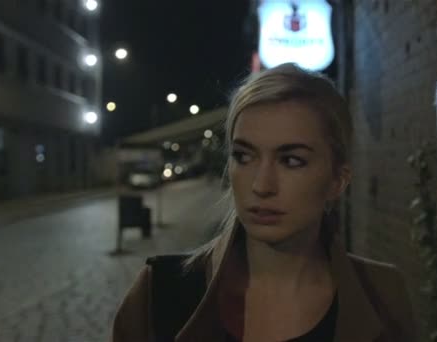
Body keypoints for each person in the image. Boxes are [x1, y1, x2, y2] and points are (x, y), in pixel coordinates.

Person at [111, 63, 416, 342]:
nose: (261, 185)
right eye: (244, 156)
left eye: (291, 160)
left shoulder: (383, 295)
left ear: (338, 180)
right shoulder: (160, 293)